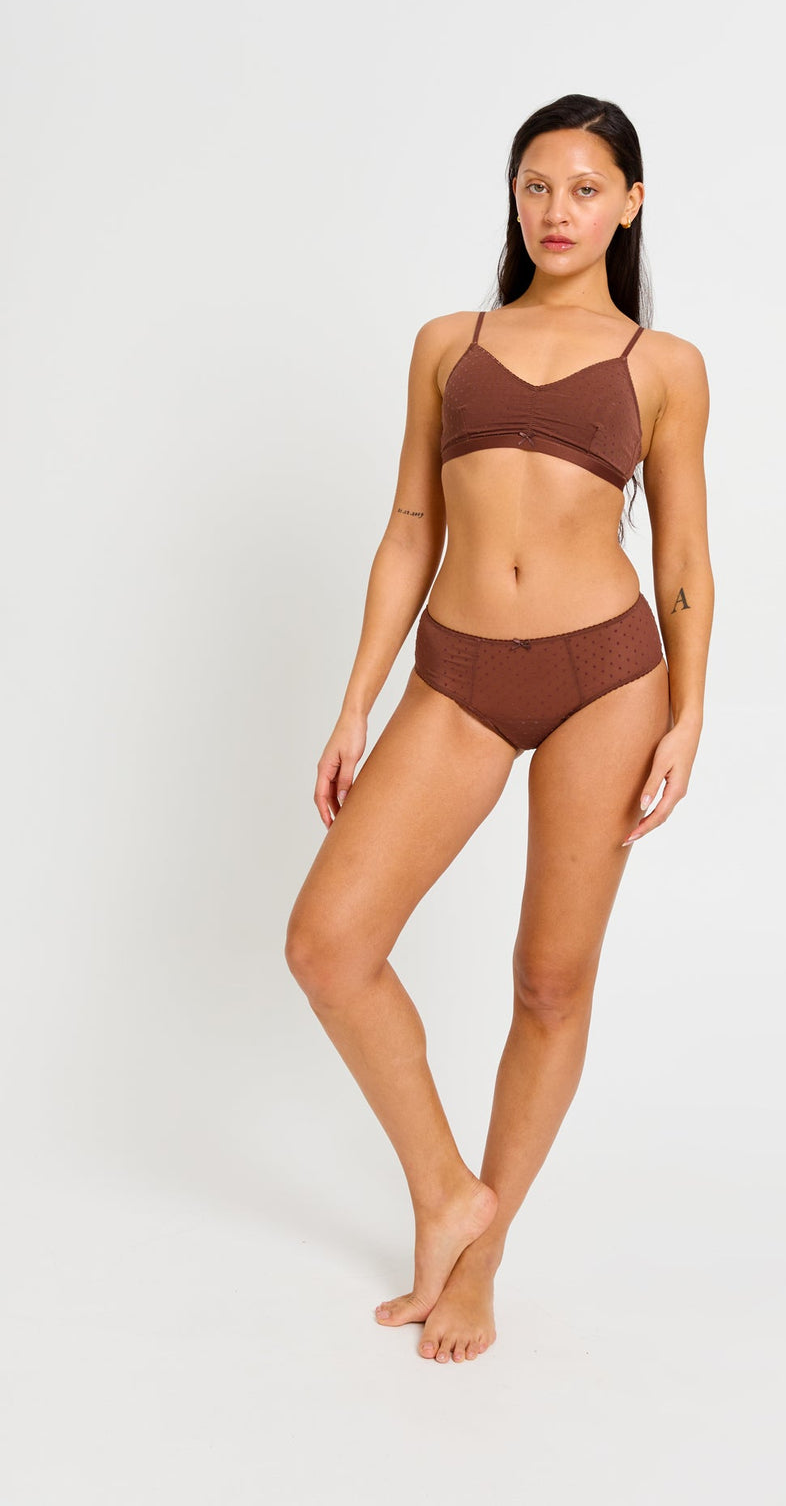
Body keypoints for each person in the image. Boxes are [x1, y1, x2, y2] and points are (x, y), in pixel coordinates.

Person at [284, 93, 713, 1365]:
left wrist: (691, 712)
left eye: (585, 188)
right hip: (459, 674)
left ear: (630, 203)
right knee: (329, 943)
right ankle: (445, 1192)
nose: (556, 211)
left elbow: (683, 557)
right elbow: (412, 526)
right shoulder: (447, 343)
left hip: (607, 681)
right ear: (513, 198)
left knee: (549, 981)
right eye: (536, 186)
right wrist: (357, 700)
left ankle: (483, 1258)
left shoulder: (664, 366)